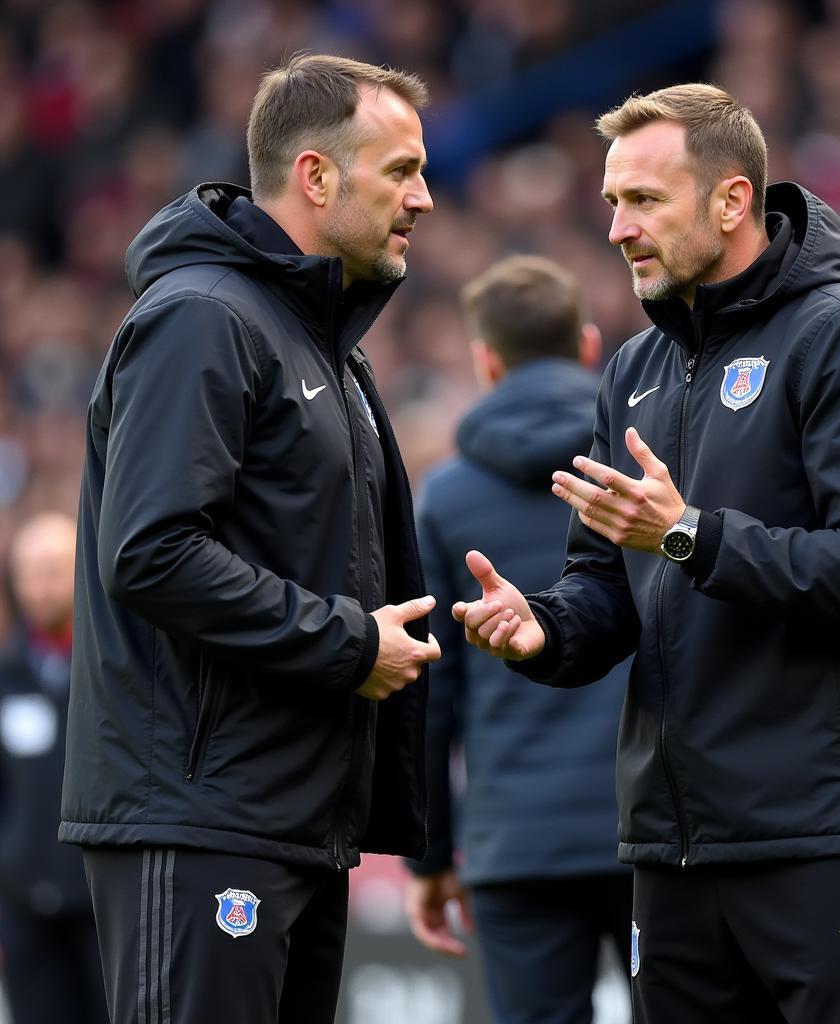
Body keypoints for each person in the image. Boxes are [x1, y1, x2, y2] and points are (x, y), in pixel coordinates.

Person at [455, 83, 840, 1024]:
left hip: (826, 838)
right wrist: (540, 631)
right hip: (673, 851)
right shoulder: (633, 370)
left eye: (644, 201)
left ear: (731, 201)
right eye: (611, 203)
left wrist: (688, 532)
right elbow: (606, 589)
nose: (616, 228)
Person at [60, 53, 441, 1024]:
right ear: (316, 176)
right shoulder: (202, 319)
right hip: (200, 814)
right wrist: (351, 644)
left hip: (290, 818)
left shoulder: (317, 344)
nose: (425, 198)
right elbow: (149, 549)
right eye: (400, 170)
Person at [404, 255, 633, 1024]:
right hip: (653, 824)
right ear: (591, 346)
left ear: (486, 361)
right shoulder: (645, 482)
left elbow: (428, 690)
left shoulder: (444, 497)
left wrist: (431, 858)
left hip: (516, 842)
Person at [0, 513, 107, 1024]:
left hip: (107, 913)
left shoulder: (116, 674)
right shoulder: (5, 678)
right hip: (26, 920)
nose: (37, 587)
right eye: (27, 572)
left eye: (51, 570)